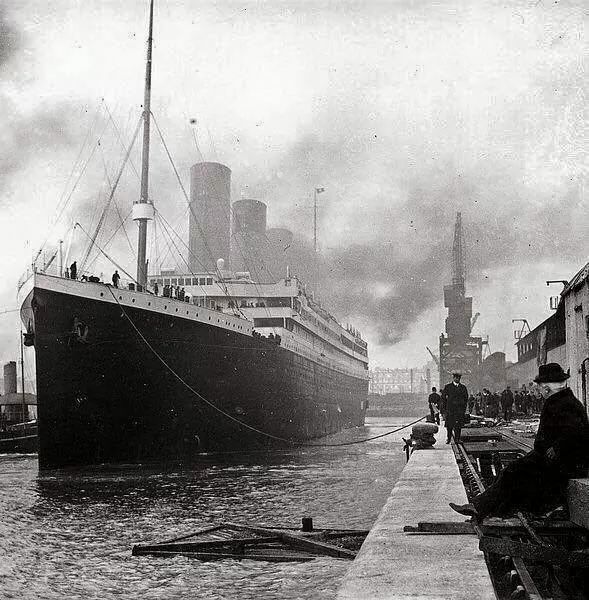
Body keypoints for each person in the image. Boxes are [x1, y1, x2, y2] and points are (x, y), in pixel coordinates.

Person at [449, 363, 589, 520]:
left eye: (540, 387)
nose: (538, 390)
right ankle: (485, 509)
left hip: (564, 463)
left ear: (548, 387)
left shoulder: (563, 403)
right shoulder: (563, 401)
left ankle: (484, 508)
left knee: (513, 473)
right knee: (513, 472)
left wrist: (557, 448)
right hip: (555, 459)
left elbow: (577, 432)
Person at [440, 372, 468, 444]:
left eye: (458, 378)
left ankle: (457, 439)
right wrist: (445, 409)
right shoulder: (448, 387)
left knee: (458, 426)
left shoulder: (463, 388)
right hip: (450, 410)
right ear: (453, 378)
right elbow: (443, 398)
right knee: (449, 426)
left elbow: (466, 399)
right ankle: (448, 438)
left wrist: (463, 409)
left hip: (459, 410)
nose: (457, 379)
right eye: (456, 378)